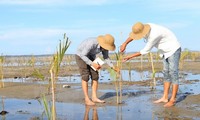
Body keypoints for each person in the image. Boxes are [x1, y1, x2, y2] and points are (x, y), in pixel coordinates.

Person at [120, 22, 181, 107]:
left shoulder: (154, 34)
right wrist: (125, 43)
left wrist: (130, 57)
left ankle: (173, 99)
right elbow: (133, 35)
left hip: (173, 49)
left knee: (173, 73)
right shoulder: (143, 27)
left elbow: (144, 51)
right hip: (164, 50)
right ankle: (165, 97)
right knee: (166, 73)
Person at [76, 34, 119, 106]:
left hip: (91, 56)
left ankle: (94, 97)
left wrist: (113, 66)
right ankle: (87, 99)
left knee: (95, 75)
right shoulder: (92, 43)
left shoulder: (105, 47)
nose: (106, 49)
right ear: (103, 43)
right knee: (85, 76)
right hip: (80, 55)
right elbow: (83, 55)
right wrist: (92, 64)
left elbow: (106, 57)